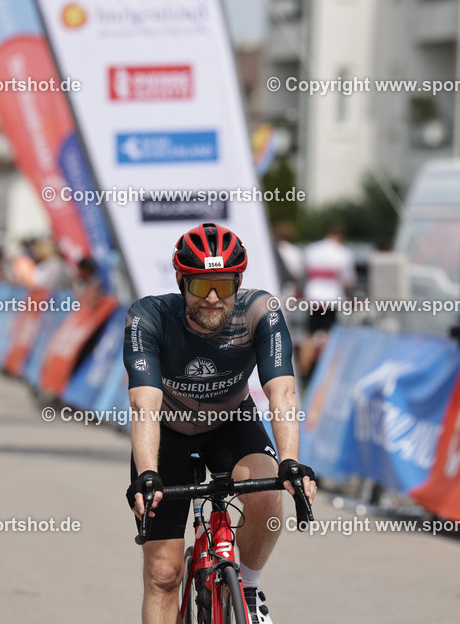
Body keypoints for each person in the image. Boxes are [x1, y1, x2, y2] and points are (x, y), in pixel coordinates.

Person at [124, 222, 316, 624]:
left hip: (230, 421)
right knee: (163, 575)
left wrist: (292, 461)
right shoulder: (149, 317)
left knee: (267, 496)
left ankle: (247, 586)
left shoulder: (261, 312)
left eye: (224, 286)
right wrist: (147, 473)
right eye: (201, 285)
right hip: (168, 433)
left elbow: (282, 393)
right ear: (181, 280)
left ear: (239, 281)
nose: (213, 297)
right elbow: (145, 406)